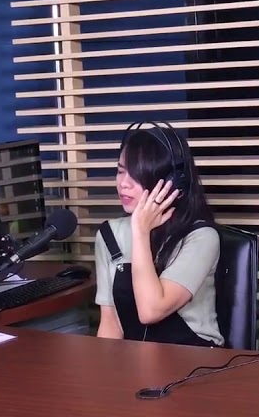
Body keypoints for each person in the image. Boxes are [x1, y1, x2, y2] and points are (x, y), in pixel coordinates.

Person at [94, 121, 223, 347]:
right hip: (135, 358)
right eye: (121, 171)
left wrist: (140, 232)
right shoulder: (110, 234)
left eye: (137, 175)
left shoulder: (202, 237)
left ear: (173, 182)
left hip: (194, 355)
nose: (123, 184)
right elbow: (111, 323)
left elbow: (151, 311)